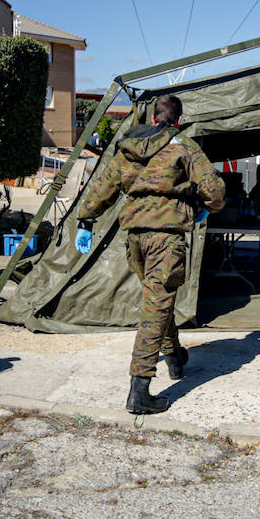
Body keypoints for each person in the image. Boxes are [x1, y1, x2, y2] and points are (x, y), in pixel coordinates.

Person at [74, 94, 226, 415]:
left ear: (153, 118)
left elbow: (102, 186)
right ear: (179, 120)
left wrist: (86, 221)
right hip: (165, 236)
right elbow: (214, 189)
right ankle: (139, 388)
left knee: (158, 298)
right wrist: (205, 209)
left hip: (135, 236)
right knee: (156, 303)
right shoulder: (183, 147)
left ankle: (174, 358)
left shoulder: (128, 147)